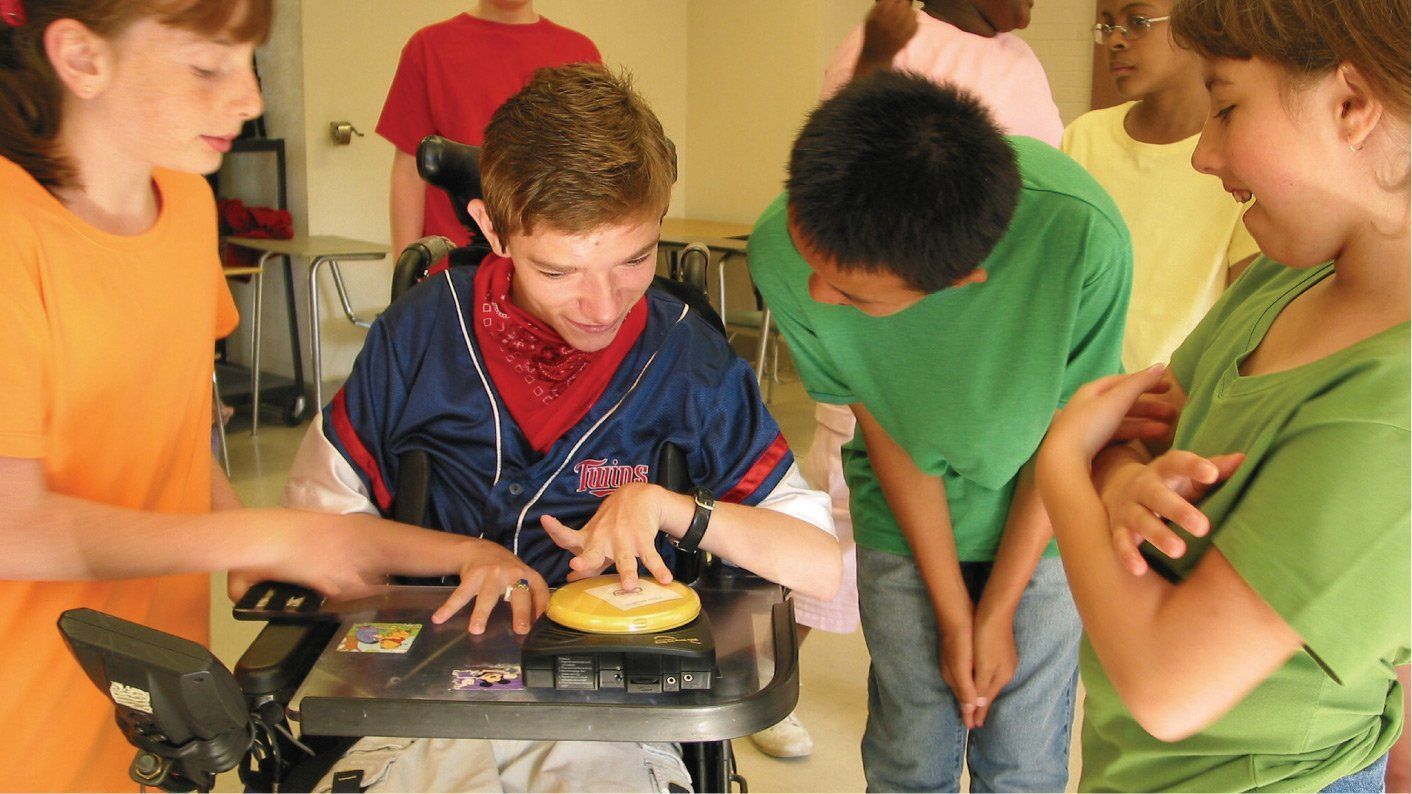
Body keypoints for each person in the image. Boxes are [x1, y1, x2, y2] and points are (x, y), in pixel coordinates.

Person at [0, 2, 557, 788]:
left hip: (146, 685)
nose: (249, 99)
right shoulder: (13, 234)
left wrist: (236, 529)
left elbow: (173, 421)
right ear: (82, 58)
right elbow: (12, 527)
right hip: (23, 711)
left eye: (249, 63)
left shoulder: (184, 204)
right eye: (207, 67)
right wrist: (259, 537)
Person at [285, 63, 841, 792]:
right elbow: (312, 530)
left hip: (613, 710)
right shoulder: (421, 336)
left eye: (635, 259)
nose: (602, 306)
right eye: (558, 272)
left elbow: (820, 565)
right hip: (422, 700)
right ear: (491, 227)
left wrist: (671, 508)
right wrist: (464, 554)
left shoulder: (687, 359)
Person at [1035, 0, 1410, 789]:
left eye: (1228, 107)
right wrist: (1122, 481)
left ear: (1352, 104)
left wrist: (1063, 465)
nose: (1204, 155)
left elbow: (1166, 686)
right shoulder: (1286, 275)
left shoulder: (1393, 403)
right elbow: (1135, 427)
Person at [748, 71, 1130, 791]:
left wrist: (999, 609)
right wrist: (957, 618)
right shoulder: (782, 244)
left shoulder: (1081, 234)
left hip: (1048, 509)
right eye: (811, 264)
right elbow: (885, 430)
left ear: (960, 281)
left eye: (852, 294)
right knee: (910, 753)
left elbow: (1070, 439)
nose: (817, 294)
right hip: (903, 512)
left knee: (1022, 762)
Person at [1062, 0, 1259, 373]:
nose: (1116, 40)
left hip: (1174, 392)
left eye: (1138, 21)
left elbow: (1244, 314)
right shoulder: (1085, 136)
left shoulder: (1235, 158)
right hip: (1077, 386)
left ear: (1198, 26)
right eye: (1107, 26)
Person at [377, 0, 600, 255]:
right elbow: (409, 172)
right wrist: (406, 268)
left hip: (555, 261)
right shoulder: (429, 47)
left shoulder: (579, 51)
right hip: (456, 262)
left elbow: (594, 172)